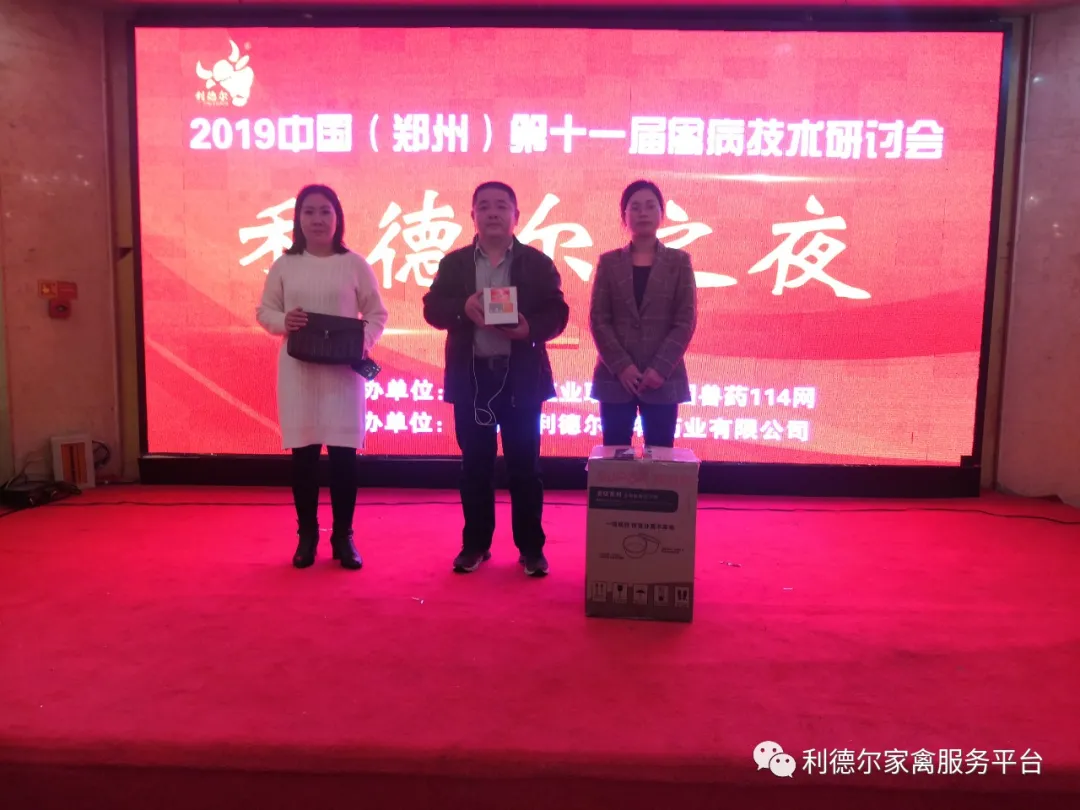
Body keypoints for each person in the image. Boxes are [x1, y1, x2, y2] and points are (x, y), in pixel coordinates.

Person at [422, 181, 570, 577]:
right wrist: (462, 308)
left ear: (515, 216)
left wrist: (529, 328)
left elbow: (557, 313)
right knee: (475, 467)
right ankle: (475, 546)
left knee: (525, 468)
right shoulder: (455, 264)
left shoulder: (536, 263)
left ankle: (531, 549)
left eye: (501, 206)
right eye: (484, 206)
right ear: (472, 215)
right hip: (472, 379)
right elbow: (432, 308)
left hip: (521, 379)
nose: (492, 213)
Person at [256, 184, 388, 570]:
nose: (317, 219)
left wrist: (361, 342)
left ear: (337, 218)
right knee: (305, 457)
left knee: (345, 457)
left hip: (343, 374)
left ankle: (343, 537)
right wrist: (284, 321)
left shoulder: (354, 264)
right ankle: (307, 536)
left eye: (325, 211)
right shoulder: (285, 265)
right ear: (298, 219)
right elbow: (265, 311)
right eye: (309, 211)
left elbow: (377, 313)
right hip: (299, 373)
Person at [589, 180, 697, 448]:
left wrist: (660, 369)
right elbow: (599, 319)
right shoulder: (609, 262)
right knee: (614, 456)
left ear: (661, 213)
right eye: (635, 207)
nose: (643, 213)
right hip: (615, 379)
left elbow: (685, 321)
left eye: (650, 206)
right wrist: (622, 367)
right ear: (624, 216)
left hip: (663, 379)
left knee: (660, 457)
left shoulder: (679, 262)